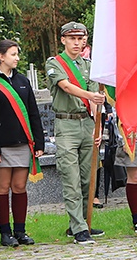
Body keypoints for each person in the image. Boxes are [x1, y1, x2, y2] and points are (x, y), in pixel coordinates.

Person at [44, 23, 105, 245]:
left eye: (81, 38)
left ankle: (81, 223)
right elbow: (66, 86)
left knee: (88, 177)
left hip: (87, 123)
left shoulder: (89, 65)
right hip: (66, 125)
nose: (77, 43)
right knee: (71, 177)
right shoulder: (54, 63)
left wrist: (98, 128)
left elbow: (96, 98)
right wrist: (91, 96)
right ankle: (79, 228)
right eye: (72, 38)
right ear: (63, 40)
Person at [0, 39, 46, 247]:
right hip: (2, 145)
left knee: (19, 187)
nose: (17, 58)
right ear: (1, 57)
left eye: (17, 54)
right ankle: (5, 232)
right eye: (13, 54)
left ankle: (20, 230)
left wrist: (39, 142)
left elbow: (33, 112)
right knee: (2, 187)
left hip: (23, 143)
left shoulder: (22, 80)